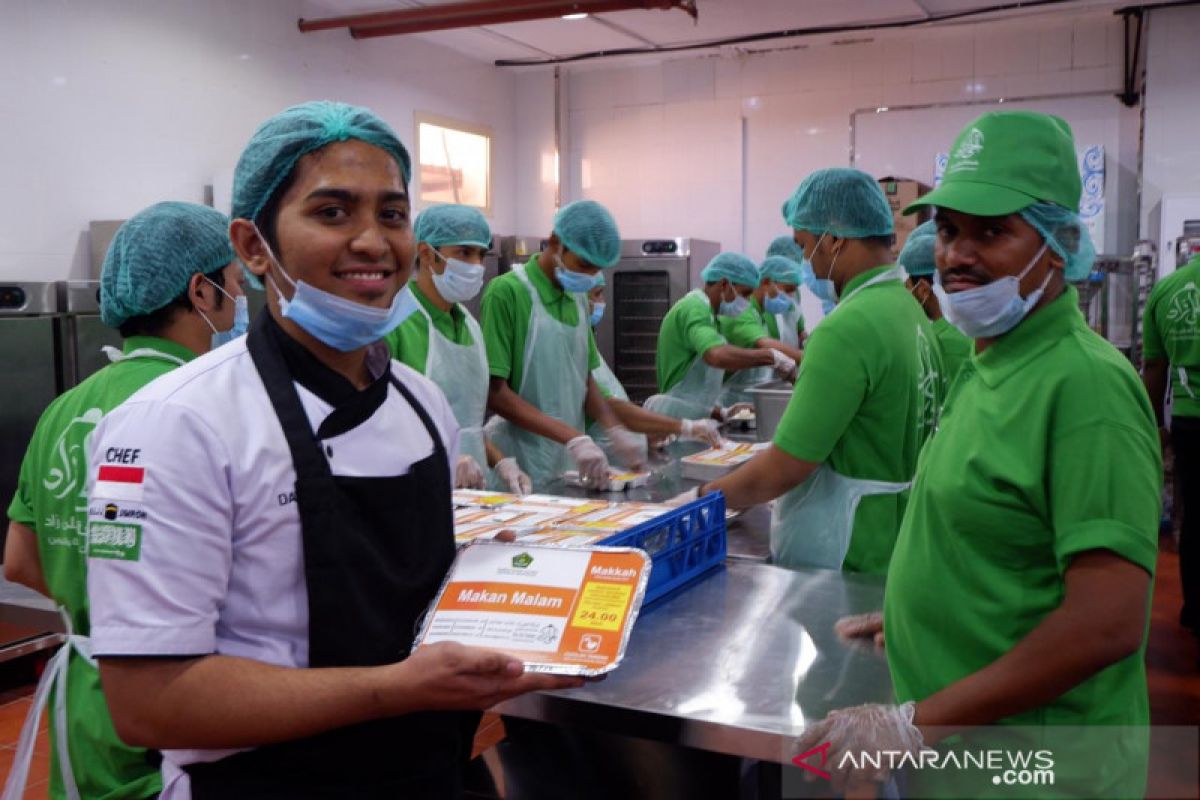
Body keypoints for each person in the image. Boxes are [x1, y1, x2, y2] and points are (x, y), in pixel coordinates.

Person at [84, 101, 578, 799]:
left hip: (427, 775)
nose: (373, 241)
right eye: (333, 213)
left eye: (393, 215)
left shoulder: (420, 402)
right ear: (254, 248)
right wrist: (396, 690)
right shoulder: (175, 423)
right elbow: (149, 701)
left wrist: (488, 588)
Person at [813, 111, 1160, 799]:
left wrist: (912, 726)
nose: (954, 255)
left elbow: (1107, 623)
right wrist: (926, 614)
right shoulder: (993, 362)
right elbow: (1002, 534)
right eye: (946, 230)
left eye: (992, 231)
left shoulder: (1083, 387)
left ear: (1059, 242)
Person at [2, 201, 245, 800]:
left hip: (87, 701)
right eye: (237, 287)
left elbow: (19, 561)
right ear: (202, 293)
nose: (243, 305)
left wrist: (99, 607)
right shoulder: (212, 405)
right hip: (179, 703)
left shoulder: (65, 407)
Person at [679, 168, 941, 574]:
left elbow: (785, 467)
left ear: (833, 239)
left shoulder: (848, 328)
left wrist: (702, 498)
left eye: (805, 245)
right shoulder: (910, 310)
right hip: (894, 537)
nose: (807, 263)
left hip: (845, 546)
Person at [481, 200, 643, 488]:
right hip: (521, 464)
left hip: (568, 463)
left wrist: (615, 429)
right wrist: (572, 437)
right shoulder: (507, 292)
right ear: (555, 243)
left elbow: (586, 381)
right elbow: (496, 393)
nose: (589, 276)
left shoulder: (578, 299)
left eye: (596, 270)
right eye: (583, 264)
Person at [384, 204, 531, 495]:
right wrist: (442, 457)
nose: (476, 265)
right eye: (464, 253)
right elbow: (377, 425)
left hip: (473, 489)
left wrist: (500, 462)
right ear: (427, 254)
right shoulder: (394, 323)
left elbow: (464, 424)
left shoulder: (469, 326)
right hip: (414, 488)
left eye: (481, 254)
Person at [644, 252, 796, 421]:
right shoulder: (693, 308)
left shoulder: (712, 316)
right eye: (744, 294)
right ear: (724, 284)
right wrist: (771, 357)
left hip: (692, 420)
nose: (746, 303)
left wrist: (721, 412)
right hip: (675, 422)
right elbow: (715, 355)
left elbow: (694, 391)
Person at [586, 274, 723, 456]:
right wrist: (683, 426)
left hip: (615, 457)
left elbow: (606, 398)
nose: (601, 302)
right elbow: (604, 402)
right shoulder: (693, 309)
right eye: (597, 294)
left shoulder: (586, 342)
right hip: (597, 456)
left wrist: (641, 434)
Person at [1143, 248, 1200, 636]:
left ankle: (1195, 608)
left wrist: (1150, 426)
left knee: (1193, 517)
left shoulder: (1166, 290)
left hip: (1189, 421)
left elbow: (1154, 368)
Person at [716, 253, 805, 406]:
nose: (790, 298)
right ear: (766, 282)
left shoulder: (760, 314)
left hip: (747, 400)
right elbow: (765, 343)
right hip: (732, 401)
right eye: (787, 290)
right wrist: (807, 357)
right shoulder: (743, 311)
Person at [899, 219, 972, 392]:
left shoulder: (938, 345)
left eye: (906, 288)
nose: (903, 296)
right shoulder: (968, 330)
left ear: (923, 290)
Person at [764, 235, 809, 346]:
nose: (790, 294)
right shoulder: (757, 300)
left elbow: (799, 327)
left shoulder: (795, 293)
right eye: (787, 288)